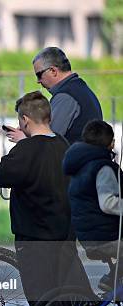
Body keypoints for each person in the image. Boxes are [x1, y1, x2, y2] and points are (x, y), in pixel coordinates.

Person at [0, 91, 86, 306]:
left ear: (24, 120)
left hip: (33, 234)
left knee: (39, 296)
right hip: (65, 232)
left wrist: (18, 148)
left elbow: (1, 175)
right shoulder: (65, 145)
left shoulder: (26, 150)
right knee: (57, 291)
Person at [64, 120, 122, 290]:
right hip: (105, 237)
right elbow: (108, 203)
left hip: (88, 234)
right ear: (111, 143)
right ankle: (111, 279)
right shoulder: (102, 167)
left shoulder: (81, 165)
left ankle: (114, 279)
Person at [5, 47, 102, 145]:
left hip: (77, 159)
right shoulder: (79, 88)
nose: (38, 81)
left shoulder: (66, 96)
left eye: (39, 75)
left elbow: (49, 141)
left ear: (53, 71)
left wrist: (24, 140)